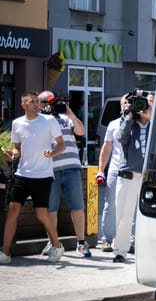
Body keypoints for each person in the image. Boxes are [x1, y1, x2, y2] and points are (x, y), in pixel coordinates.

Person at [0, 91, 67, 263]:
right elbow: (17, 149)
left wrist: (51, 152)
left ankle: (57, 245)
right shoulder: (17, 124)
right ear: (23, 104)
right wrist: (12, 155)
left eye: (38, 101)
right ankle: (5, 253)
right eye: (32, 101)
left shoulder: (49, 121)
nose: (37, 104)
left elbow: (61, 145)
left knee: (41, 215)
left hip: (43, 175)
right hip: (22, 174)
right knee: (13, 209)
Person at [38, 90, 91, 258]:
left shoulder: (66, 118)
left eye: (53, 100)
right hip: (50, 170)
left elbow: (81, 131)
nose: (52, 104)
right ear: (41, 104)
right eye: (48, 101)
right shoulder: (39, 122)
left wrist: (70, 112)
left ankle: (81, 243)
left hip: (71, 168)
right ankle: (53, 242)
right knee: (50, 209)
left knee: (77, 207)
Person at [112, 92, 153, 263]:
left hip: (148, 177)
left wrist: (151, 116)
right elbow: (121, 137)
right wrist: (129, 115)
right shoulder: (128, 121)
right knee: (124, 214)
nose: (143, 106)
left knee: (150, 216)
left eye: (148, 103)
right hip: (129, 175)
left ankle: (149, 249)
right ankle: (120, 250)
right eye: (140, 103)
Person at [96, 96, 129, 253]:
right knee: (110, 203)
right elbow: (106, 148)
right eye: (124, 103)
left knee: (133, 205)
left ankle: (132, 240)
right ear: (121, 106)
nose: (127, 105)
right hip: (116, 169)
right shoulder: (113, 124)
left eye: (129, 103)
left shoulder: (141, 123)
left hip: (134, 170)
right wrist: (101, 169)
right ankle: (107, 239)